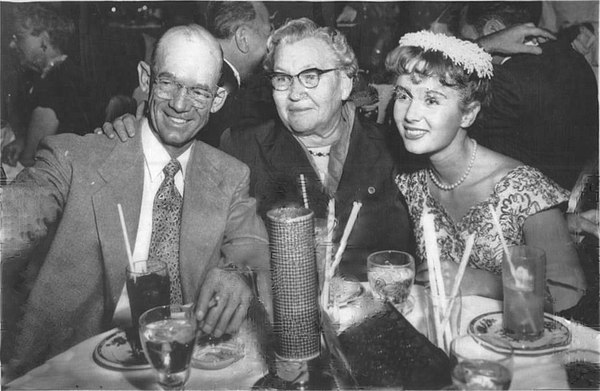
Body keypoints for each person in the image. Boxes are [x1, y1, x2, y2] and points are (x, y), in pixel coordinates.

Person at [0, 24, 271, 380]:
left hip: (180, 372)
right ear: (146, 79)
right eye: (169, 82)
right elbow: (16, 218)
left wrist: (238, 273)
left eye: (198, 91)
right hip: (75, 377)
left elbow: (253, 249)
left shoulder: (229, 174)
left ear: (217, 100)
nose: (179, 104)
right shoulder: (75, 158)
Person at [385, 30, 586, 313]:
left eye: (431, 100)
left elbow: (570, 295)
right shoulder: (409, 180)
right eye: (403, 96)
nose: (410, 115)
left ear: (468, 114)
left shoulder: (521, 188)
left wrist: (488, 284)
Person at [222, 18, 412, 278]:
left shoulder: (396, 152)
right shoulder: (241, 149)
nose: (295, 93)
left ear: (345, 83)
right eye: (282, 79)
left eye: (310, 76)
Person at [458, 2, 598, 190]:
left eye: (466, 41)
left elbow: (435, 83)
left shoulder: (504, 83)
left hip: (530, 208)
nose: (466, 47)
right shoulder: (573, 57)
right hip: (575, 194)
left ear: (493, 30)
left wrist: (485, 45)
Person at [109, 1, 273, 148]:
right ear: (243, 38)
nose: (179, 105)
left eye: (198, 91)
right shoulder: (236, 98)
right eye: (268, 35)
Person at [2, 3, 96, 168]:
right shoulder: (69, 71)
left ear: (44, 41)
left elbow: (30, 160)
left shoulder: (52, 84)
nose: (12, 45)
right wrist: (24, 140)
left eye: (20, 37)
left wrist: (26, 147)